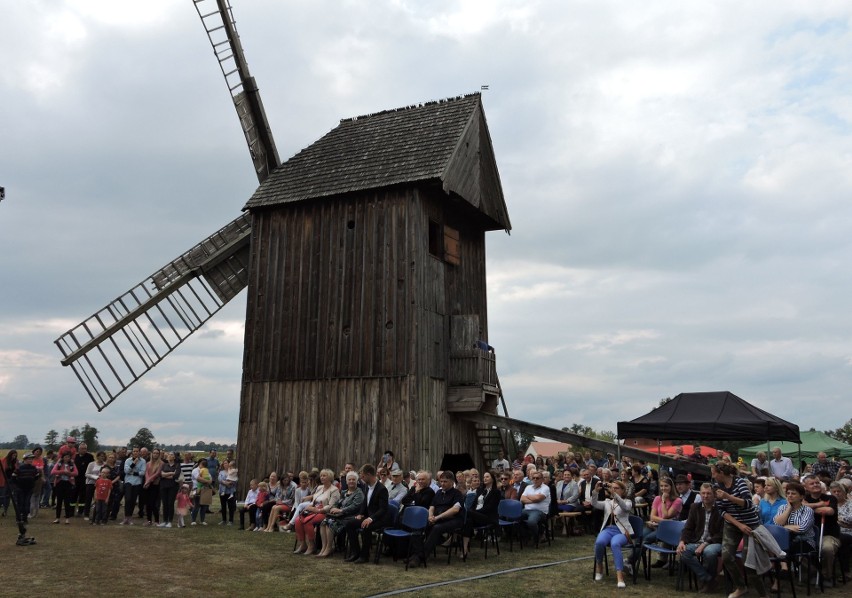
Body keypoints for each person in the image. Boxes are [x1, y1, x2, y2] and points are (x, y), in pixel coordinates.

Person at [714, 462, 767, 598]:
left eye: (714, 472)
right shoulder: (717, 487)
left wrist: (728, 497)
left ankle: (763, 594)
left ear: (721, 473)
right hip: (733, 524)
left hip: (751, 525)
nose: (712, 475)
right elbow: (721, 510)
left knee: (748, 562)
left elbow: (748, 503)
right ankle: (741, 587)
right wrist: (738, 525)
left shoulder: (740, 483)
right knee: (726, 557)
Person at [677, 482, 724, 593]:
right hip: (697, 540)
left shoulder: (721, 508)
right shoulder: (695, 507)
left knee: (709, 552)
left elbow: (722, 533)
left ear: (714, 495)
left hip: (715, 541)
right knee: (683, 552)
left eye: (708, 493)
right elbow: (688, 528)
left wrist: (705, 543)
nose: (705, 496)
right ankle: (708, 579)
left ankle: (707, 583)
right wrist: (682, 541)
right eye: (703, 493)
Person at [344, 464, 391, 564]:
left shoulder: (382, 489)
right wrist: (361, 514)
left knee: (366, 526)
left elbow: (383, 509)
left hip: (379, 519)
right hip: (368, 516)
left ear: (369, 475)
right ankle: (355, 552)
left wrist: (370, 519)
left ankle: (364, 556)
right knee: (349, 524)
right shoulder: (366, 487)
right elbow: (365, 503)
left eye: (363, 475)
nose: (361, 478)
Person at [592, 478, 633, 589]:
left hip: (622, 531)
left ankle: (619, 576)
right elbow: (594, 503)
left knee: (615, 544)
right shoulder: (607, 502)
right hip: (608, 529)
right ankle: (599, 566)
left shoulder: (628, 501)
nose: (613, 490)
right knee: (599, 542)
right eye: (612, 488)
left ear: (622, 490)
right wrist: (595, 491)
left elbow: (625, 507)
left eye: (616, 488)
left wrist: (614, 494)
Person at [802, 474, 841, 584]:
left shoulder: (830, 498)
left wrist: (808, 507)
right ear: (806, 487)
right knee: (795, 548)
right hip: (809, 534)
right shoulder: (804, 498)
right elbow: (798, 507)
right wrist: (819, 505)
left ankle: (826, 575)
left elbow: (829, 511)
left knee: (827, 549)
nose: (815, 485)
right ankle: (814, 571)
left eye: (817, 483)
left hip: (829, 534)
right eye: (812, 483)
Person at [293, 469, 340, 555]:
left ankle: (312, 545)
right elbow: (314, 500)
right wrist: (309, 506)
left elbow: (331, 506)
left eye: (324, 476)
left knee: (307, 521)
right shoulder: (319, 487)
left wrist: (318, 510)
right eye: (321, 475)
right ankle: (303, 544)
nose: (322, 477)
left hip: (324, 513)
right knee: (298, 520)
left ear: (330, 477)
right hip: (314, 511)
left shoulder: (334, 490)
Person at [321, 471, 364, 558]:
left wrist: (340, 510)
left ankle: (329, 548)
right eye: (349, 479)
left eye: (353, 479)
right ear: (347, 481)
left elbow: (354, 507)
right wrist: (334, 508)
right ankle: (324, 547)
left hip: (350, 517)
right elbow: (337, 503)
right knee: (324, 522)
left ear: (357, 481)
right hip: (340, 516)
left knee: (330, 523)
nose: (351, 481)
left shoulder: (359, 493)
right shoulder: (344, 492)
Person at [461, 470, 500, 558]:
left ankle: (456, 537)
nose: (484, 478)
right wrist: (474, 512)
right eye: (484, 477)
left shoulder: (496, 492)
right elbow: (474, 504)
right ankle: (464, 549)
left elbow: (490, 508)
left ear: (492, 479)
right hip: (476, 516)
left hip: (488, 517)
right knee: (468, 521)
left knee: (467, 512)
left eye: (487, 477)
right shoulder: (480, 490)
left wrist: (475, 512)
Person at [645, 476, 683, 567]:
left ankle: (632, 560)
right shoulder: (657, 498)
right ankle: (631, 561)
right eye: (661, 486)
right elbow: (652, 516)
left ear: (671, 487)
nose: (663, 488)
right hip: (655, 526)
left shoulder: (677, 500)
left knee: (646, 539)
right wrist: (665, 521)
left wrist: (663, 501)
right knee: (640, 536)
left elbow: (666, 515)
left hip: (668, 529)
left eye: (666, 486)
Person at [12, 453, 39, 545]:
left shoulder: (34, 469)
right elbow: (13, 477)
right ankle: (18, 519)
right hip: (20, 489)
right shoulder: (20, 468)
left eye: (31, 459)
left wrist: (31, 483)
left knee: (27, 504)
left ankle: (25, 518)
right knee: (20, 504)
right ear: (24, 460)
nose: (30, 460)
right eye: (28, 459)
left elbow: (37, 476)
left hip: (29, 489)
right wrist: (17, 486)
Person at [520, 470, 550, 542]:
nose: (535, 480)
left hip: (540, 511)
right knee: (513, 517)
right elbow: (522, 499)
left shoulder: (545, 488)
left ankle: (536, 537)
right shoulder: (528, 487)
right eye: (533, 478)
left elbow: (538, 498)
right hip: (527, 510)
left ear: (542, 479)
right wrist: (534, 499)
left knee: (531, 522)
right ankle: (526, 536)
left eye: (537, 478)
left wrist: (529, 496)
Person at [829, 481, 851, 575]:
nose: (837, 493)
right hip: (834, 531)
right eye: (834, 492)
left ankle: (845, 571)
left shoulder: (850, 504)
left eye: (839, 491)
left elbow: (851, 518)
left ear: (844, 492)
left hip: (849, 532)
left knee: (843, 539)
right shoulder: (830, 505)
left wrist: (836, 518)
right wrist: (841, 522)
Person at [51, 451, 78, 524]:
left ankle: (67, 518)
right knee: (59, 501)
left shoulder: (72, 464)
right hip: (60, 483)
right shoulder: (59, 464)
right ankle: (57, 518)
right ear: (62, 457)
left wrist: (69, 473)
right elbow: (53, 472)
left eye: (68, 457)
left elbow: (76, 473)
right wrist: (62, 471)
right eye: (65, 457)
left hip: (68, 483)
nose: (67, 458)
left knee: (67, 501)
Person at [121, 446, 146, 525]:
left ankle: (130, 518)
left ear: (139, 452)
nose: (135, 452)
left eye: (137, 451)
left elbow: (142, 473)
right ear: (132, 452)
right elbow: (126, 471)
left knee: (133, 500)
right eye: (134, 451)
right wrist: (134, 463)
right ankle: (126, 517)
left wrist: (133, 473)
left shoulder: (143, 461)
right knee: (128, 499)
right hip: (128, 482)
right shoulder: (128, 460)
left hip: (137, 483)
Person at [83, 451, 106, 522]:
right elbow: (87, 474)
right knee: (88, 499)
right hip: (90, 483)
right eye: (101, 456)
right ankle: (86, 514)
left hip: (100, 484)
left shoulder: (105, 465)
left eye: (103, 456)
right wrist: (96, 477)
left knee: (98, 500)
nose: (102, 457)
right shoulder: (91, 464)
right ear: (97, 456)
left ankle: (96, 515)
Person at [158, 452, 180, 528]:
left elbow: (175, 476)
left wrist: (165, 475)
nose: (169, 456)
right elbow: (161, 474)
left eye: (171, 455)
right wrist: (170, 473)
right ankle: (164, 521)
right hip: (163, 486)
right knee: (164, 503)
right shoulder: (164, 465)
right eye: (169, 455)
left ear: (174, 457)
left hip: (172, 487)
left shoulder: (177, 465)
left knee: (170, 503)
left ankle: (170, 521)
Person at [142, 448, 162, 526]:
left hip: (155, 485)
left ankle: (156, 520)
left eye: (157, 453)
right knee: (147, 503)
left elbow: (157, 474)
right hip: (147, 485)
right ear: (152, 454)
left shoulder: (161, 463)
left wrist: (148, 481)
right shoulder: (148, 463)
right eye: (154, 453)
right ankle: (149, 520)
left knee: (153, 503)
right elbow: (146, 473)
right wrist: (147, 481)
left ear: (159, 454)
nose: (155, 454)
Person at [217, 459, 237, 525]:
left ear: (229, 464)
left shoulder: (232, 471)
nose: (225, 464)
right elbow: (219, 479)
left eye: (226, 463)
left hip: (230, 491)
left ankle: (231, 520)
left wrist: (230, 483)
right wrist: (225, 483)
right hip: (222, 491)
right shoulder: (221, 472)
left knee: (231, 506)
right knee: (223, 506)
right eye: (224, 463)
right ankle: (224, 520)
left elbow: (236, 480)